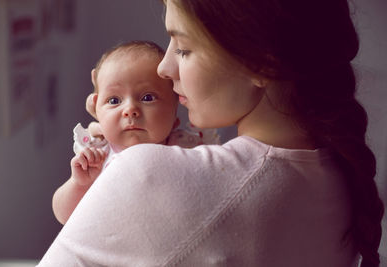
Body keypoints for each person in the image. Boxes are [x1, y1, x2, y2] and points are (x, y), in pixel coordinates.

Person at [38, 0, 384, 266]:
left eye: (184, 49)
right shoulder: (340, 178)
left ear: (263, 63)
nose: (164, 68)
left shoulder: (147, 174)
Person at [52, 40, 218, 225]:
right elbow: (64, 216)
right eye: (114, 100)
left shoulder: (186, 151)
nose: (130, 109)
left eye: (147, 98)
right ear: (97, 108)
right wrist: (79, 184)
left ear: (174, 114)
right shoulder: (97, 156)